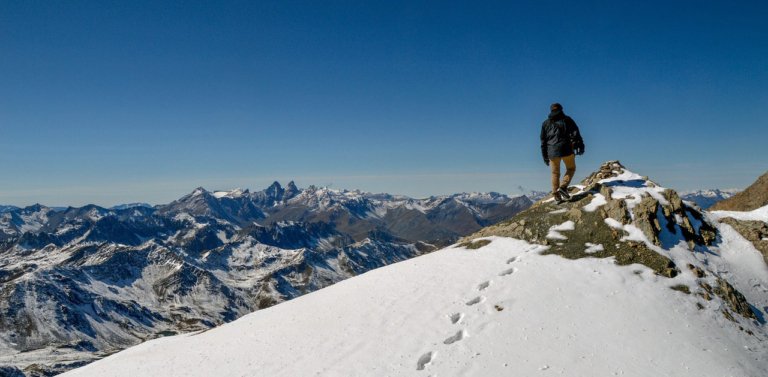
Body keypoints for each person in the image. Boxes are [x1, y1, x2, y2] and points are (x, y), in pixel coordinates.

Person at [540, 103, 585, 204]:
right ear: (561, 109)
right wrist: (581, 145)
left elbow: (543, 142)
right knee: (571, 168)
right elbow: (576, 133)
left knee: (555, 173)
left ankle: (556, 196)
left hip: (551, 152)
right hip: (566, 149)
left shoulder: (545, 123)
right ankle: (563, 187)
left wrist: (545, 157)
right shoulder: (567, 119)